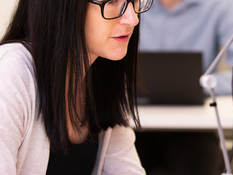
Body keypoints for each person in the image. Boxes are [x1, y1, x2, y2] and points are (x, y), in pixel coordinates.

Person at [0, 0, 153, 174]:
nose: (133, 19)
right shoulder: (10, 73)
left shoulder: (102, 78)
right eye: (112, 1)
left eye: (135, 1)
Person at [134, 0, 233, 174]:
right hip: (135, 125)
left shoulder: (220, 5)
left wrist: (202, 83)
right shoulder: (131, 5)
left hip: (194, 130)